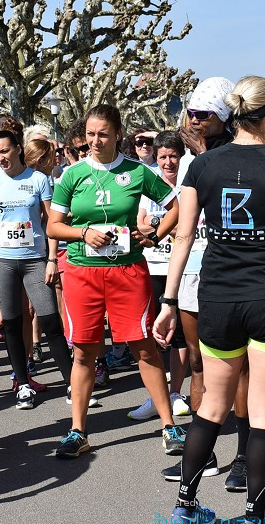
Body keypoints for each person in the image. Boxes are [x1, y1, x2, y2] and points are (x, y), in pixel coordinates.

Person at [153, 76, 265, 524]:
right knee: (264, 412)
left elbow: (182, 236)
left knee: (211, 406)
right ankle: (254, 523)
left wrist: (168, 301)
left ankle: (185, 510)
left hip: (219, 297)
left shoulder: (202, 165)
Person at [46, 104, 182, 459]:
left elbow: (177, 206)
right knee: (84, 351)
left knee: (143, 347)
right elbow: (53, 226)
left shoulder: (137, 171)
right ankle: (77, 431)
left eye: (103, 134)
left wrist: (154, 237)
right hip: (82, 273)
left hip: (127, 272)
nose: (95, 141)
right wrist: (83, 233)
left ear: (117, 134)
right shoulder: (72, 174)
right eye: (90, 134)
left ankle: (169, 426)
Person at [0, 130, 72, 410]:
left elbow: (53, 222)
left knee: (50, 321)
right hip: (1, 259)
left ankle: (72, 384)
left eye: (4, 152)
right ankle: (23, 384)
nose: (0, 159)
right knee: (12, 323)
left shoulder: (38, 179)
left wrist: (52, 259)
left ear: (17, 149)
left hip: (34, 259)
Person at [130, 131, 192, 420]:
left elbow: (187, 228)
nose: (168, 162)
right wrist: (165, 223)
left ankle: (176, 392)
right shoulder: (149, 178)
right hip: (151, 263)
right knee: (152, 333)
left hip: (178, 267)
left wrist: (159, 226)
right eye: (163, 157)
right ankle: (157, 396)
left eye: (173, 156)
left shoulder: (189, 180)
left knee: (178, 334)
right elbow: (141, 222)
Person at [179, 77, 235, 156]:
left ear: (222, 116)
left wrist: (201, 153)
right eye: (190, 114)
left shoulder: (234, 153)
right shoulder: (187, 156)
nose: (193, 121)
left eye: (201, 115)